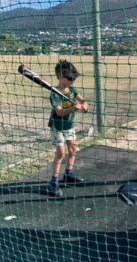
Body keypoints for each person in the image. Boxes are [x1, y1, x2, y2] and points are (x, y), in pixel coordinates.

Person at [47, 60, 89, 197]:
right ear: (60, 77)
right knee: (60, 154)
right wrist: (73, 108)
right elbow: (59, 112)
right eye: (70, 78)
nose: (72, 81)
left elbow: (82, 100)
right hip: (58, 127)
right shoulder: (55, 93)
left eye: (74, 78)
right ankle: (53, 183)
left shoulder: (71, 90)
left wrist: (84, 104)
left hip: (69, 126)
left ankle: (68, 174)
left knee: (72, 150)